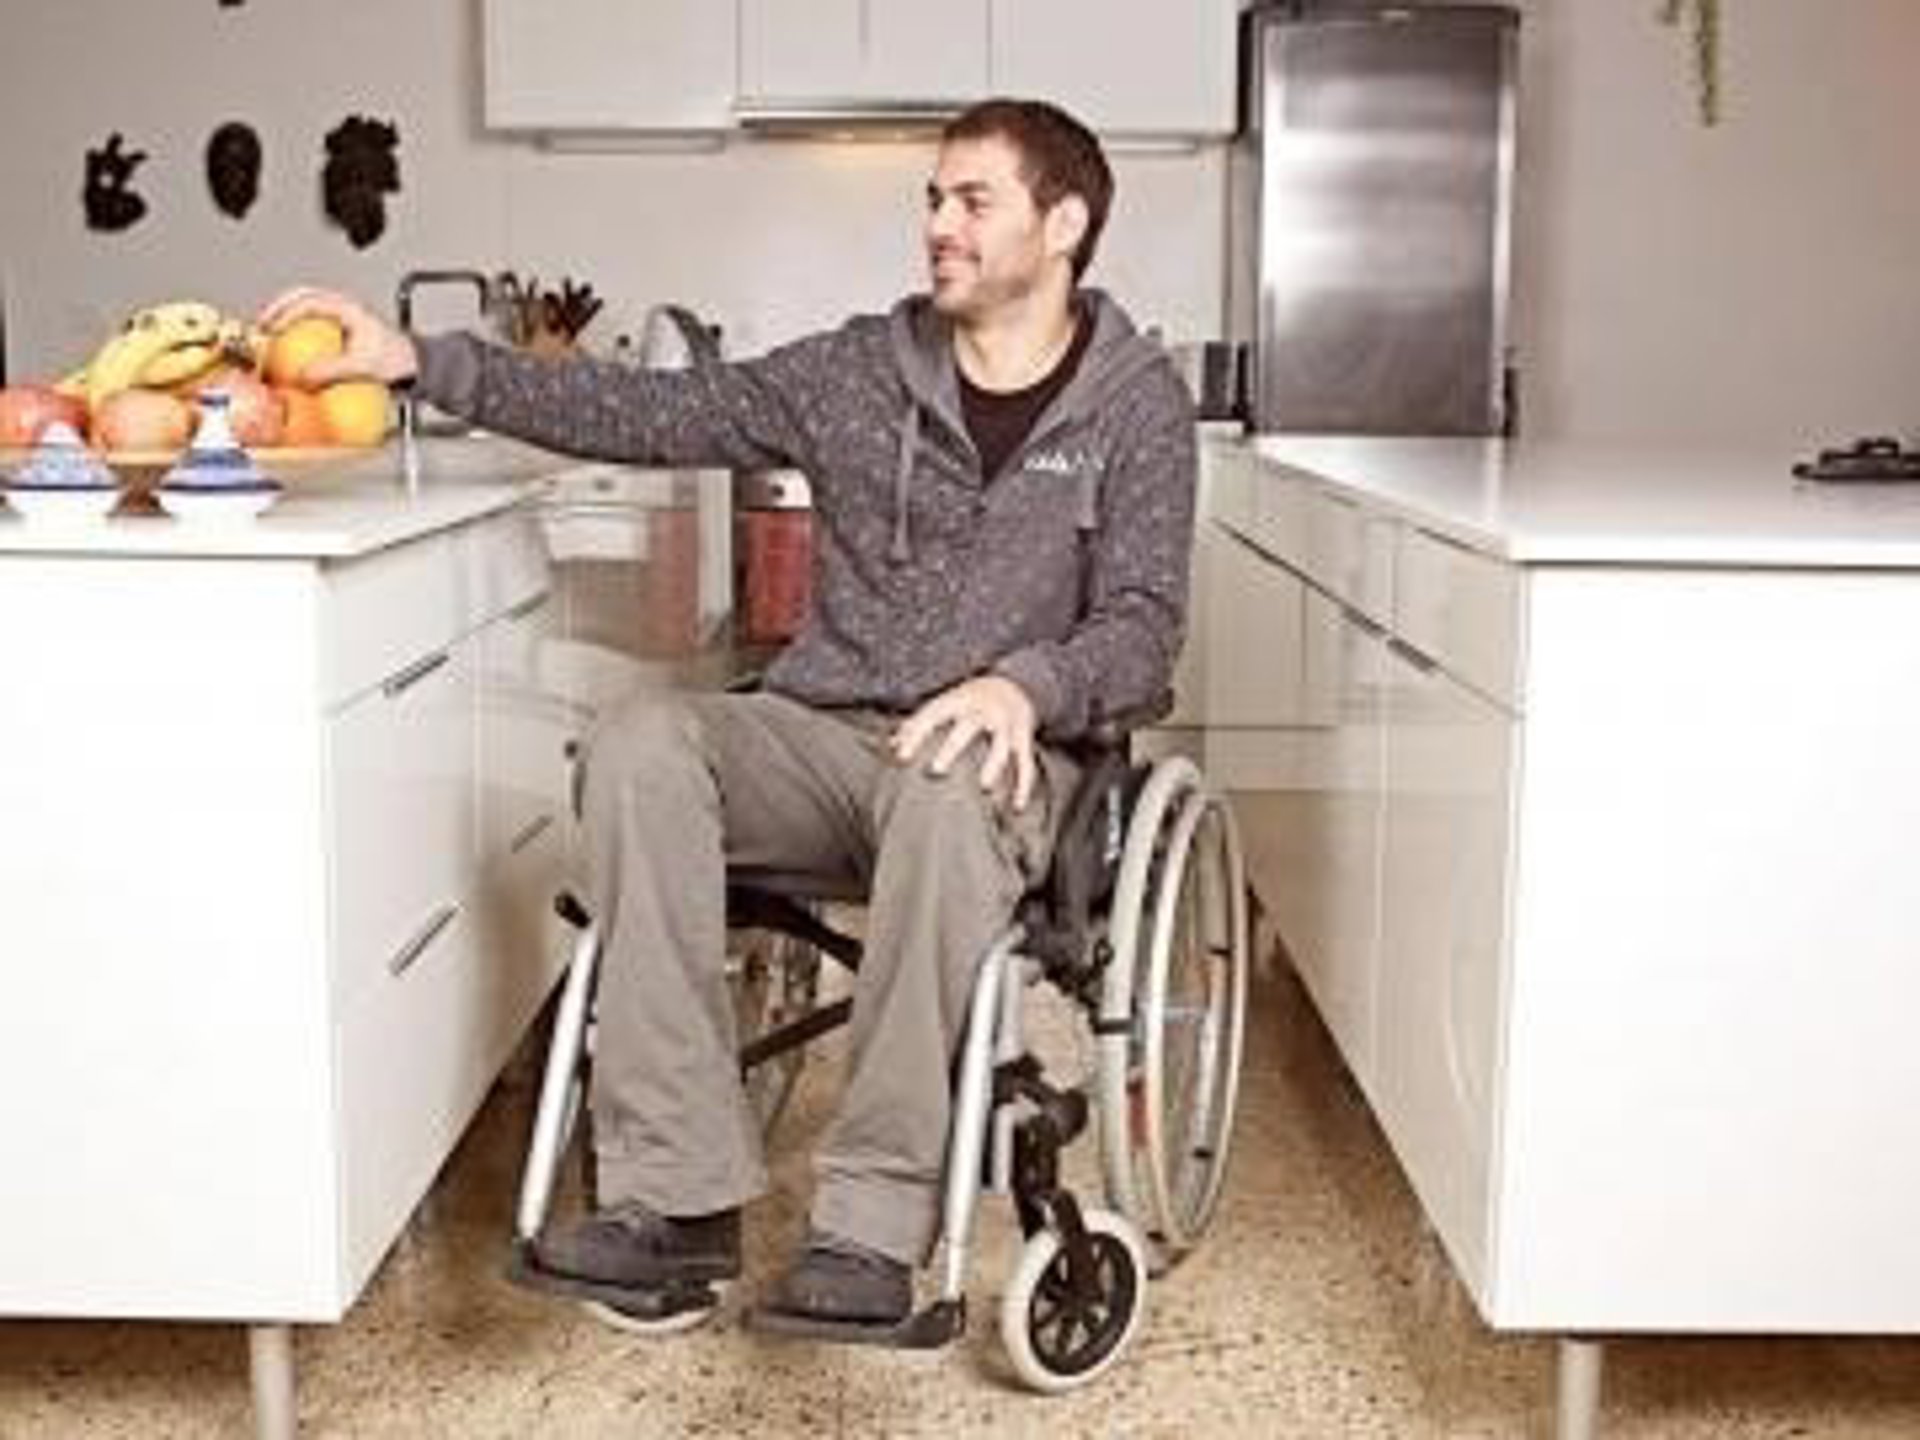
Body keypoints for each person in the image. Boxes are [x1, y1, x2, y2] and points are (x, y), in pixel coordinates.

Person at [260, 97, 1197, 1341]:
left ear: (1063, 223)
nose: (939, 225)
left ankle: (870, 1228)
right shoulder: (860, 373)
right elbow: (651, 414)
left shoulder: (1136, 406)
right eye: (933, 199)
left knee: (945, 783)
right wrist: (423, 361)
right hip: (828, 737)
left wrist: (1027, 684)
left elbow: (1142, 627)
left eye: (973, 201)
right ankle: (675, 1198)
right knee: (641, 743)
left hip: (1009, 764)